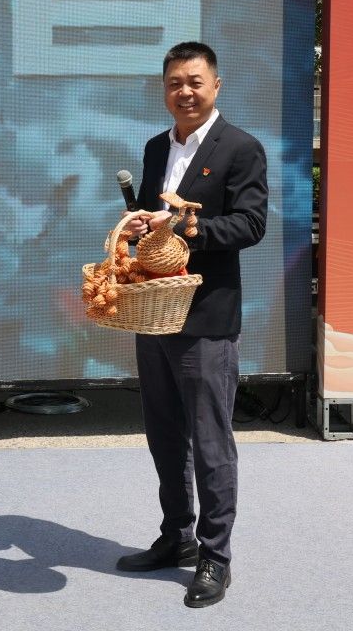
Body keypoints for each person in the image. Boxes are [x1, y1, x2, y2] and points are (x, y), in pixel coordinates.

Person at [117, 41, 268, 608]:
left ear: (216, 86)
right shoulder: (157, 147)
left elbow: (251, 224)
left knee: (209, 441)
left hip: (207, 316)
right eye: (175, 83)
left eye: (195, 82)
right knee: (163, 434)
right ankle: (176, 535)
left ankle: (215, 555)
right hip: (155, 310)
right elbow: (152, 222)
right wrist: (139, 228)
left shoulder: (241, 148)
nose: (185, 92)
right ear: (164, 89)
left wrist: (189, 229)